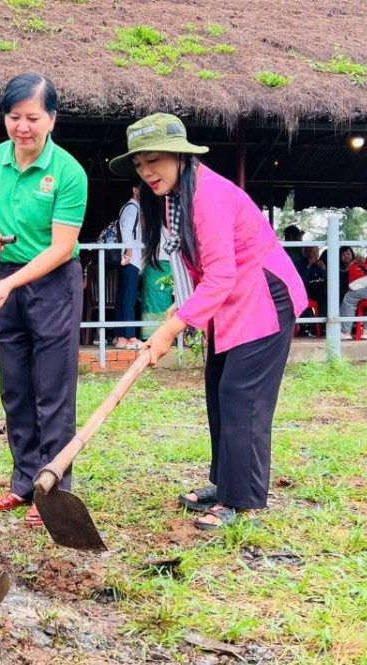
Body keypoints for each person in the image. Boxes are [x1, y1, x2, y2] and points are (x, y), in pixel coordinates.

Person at [109, 113, 306, 530]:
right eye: (140, 165)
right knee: (219, 387)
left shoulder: (208, 194)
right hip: (232, 299)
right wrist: (181, 308)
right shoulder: (174, 196)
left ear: (180, 156)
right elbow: (200, 268)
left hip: (263, 296)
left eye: (155, 161)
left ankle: (243, 500)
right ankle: (225, 485)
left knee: (242, 395)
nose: (147, 173)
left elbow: (221, 274)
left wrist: (168, 330)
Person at [0, 72, 87, 528]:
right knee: (15, 386)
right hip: (7, 276)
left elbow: (60, 247)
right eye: (14, 117)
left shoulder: (68, 172)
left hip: (54, 282)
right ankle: (22, 482)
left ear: (51, 119)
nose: (23, 127)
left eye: (33, 117)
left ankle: (53, 490)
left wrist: (12, 284)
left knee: (52, 391)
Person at [113, 186, 143, 349]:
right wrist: (130, 253)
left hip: (129, 259)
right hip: (130, 259)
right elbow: (126, 231)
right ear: (134, 190)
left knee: (123, 297)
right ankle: (130, 337)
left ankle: (120, 336)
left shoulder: (130, 207)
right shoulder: (132, 208)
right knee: (129, 298)